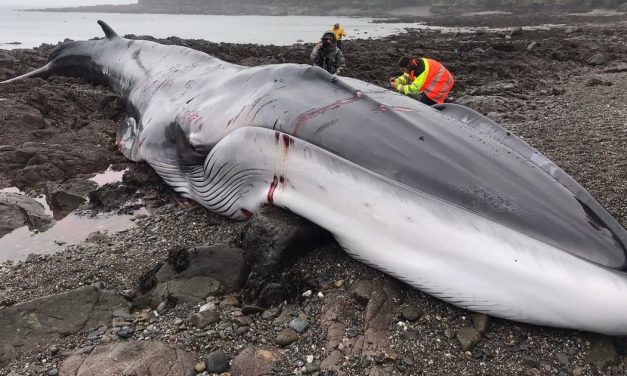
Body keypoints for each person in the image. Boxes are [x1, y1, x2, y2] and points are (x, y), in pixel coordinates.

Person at [390, 56, 454, 106]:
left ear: (408, 66)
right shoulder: (414, 64)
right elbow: (406, 76)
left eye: (403, 69)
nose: (403, 71)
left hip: (442, 82)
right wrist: (397, 81)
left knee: (423, 107)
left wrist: (398, 87)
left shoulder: (421, 71)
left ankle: (441, 104)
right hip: (438, 78)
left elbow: (413, 89)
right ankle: (444, 100)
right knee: (425, 98)